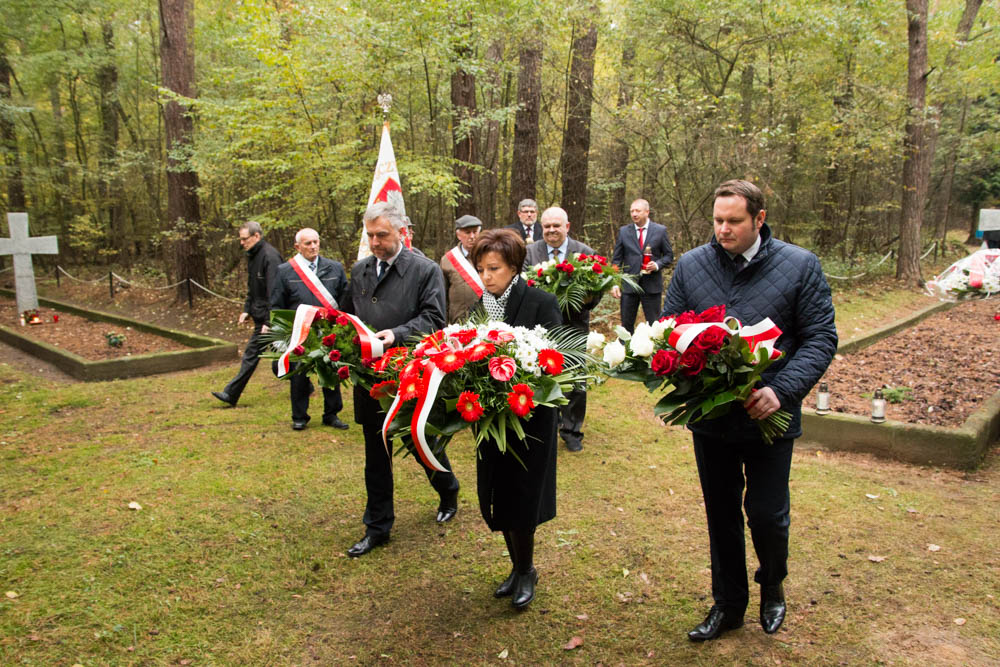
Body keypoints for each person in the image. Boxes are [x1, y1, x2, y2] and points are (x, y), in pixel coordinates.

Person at [661, 180, 837, 641]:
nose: (723, 229)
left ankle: (772, 582)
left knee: (767, 515)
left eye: (734, 221)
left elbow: (820, 338)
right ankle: (728, 605)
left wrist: (782, 391)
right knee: (721, 514)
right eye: (718, 220)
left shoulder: (800, 265)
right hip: (712, 419)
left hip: (769, 416)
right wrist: (693, 377)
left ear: (759, 219)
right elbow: (669, 329)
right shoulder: (692, 264)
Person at [340, 202, 461, 558]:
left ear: (402, 232)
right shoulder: (360, 270)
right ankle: (377, 526)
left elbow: (434, 319)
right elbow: (347, 315)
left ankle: (448, 488)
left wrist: (395, 335)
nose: (375, 242)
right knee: (376, 453)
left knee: (419, 441)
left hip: (409, 373)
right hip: (369, 377)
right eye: (370, 235)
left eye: (382, 235)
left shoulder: (425, 270)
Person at [470, 228, 561, 609]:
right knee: (499, 492)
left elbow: (557, 361)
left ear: (514, 267)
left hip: (530, 419)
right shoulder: (478, 307)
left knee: (523, 495)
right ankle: (517, 566)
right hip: (491, 419)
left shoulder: (541, 302)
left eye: (493, 268)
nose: (486, 277)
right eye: (481, 269)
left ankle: (526, 570)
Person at [523, 206, 599, 452]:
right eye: (547, 226)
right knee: (541, 375)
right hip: (540, 327)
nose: (551, 230)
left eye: (556, 225)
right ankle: (546, 424)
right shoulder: (529, 253)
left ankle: (571, 430)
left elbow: (596, 291)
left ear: (567, 226)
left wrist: (585, 297)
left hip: (574, 325)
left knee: (575, 379)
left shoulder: (585, 253)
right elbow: (522, 286)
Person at [270, 228, 349, 431]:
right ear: (297, 247)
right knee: (299, 376)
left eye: (316, 242)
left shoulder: (335, 268)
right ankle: (299, 416)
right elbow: (277, 304)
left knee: (331, 371)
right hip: (300, 332)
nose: (313, 246)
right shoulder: (285, 271)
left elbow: (344, 299)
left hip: (329, 330)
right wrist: (280, 335)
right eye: (308, 243)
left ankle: (332, 414)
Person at [212, 221, 282, 407]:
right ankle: (305, 385)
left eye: (245, 239)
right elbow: (253, 288)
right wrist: (246, 310)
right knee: (280, 362)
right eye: (241, 239)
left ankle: (231, 393)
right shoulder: (253, 255)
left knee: (254, 356)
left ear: (256, 236)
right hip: (261, 316)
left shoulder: (270, 257)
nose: (242, 243)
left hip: (269, 319)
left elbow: (275, 292)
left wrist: (269, 321)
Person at [610, 199, 673, 333]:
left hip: (651, 285)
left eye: (637, 211)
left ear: (647, 212)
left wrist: (657, 265)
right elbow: (616, 260)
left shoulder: (660, 231)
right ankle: (625, 347)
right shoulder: (624, 231)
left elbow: (669, 256)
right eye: (632, 211)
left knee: (655, 326)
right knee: (626, 327)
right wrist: (615, 282)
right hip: (629, 285)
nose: (634, 214)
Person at [440, 214, 484, 323]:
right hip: (459, 323)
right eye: (467, 232)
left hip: (487, 322)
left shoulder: (489, 256)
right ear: (458, 235)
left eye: (475, 232)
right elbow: (443, 297)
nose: (472, 236)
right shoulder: (448, 260)